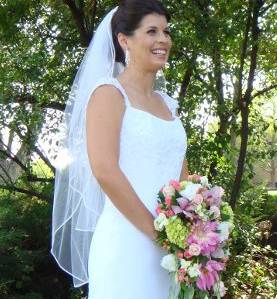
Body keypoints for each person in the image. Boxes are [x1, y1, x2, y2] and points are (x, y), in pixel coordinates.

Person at [50, 1, 188, 298]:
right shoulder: (109, 94)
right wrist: (159, 234)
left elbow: (183, 176)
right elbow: (105, 170)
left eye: (166, 31)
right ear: (124, 40)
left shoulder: (168, 104)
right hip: (128, 244)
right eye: (152, 31)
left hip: (174, 250)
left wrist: (197, 225)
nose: (163, 39)